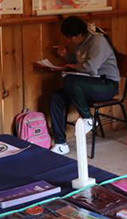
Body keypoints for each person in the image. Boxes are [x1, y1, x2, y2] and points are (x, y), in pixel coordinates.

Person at [49, 16, 119, 155]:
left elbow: (90, 68)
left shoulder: (97, 41)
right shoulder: (81, 43)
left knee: (70, 80)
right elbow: (78, 62)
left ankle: (88, 119)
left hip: (107, 85)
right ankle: (61, 143)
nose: (69, 41)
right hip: (86, 85)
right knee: (57, 98)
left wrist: (71, 66)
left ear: (80, 34)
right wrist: (66, 57)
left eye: (70, 38)